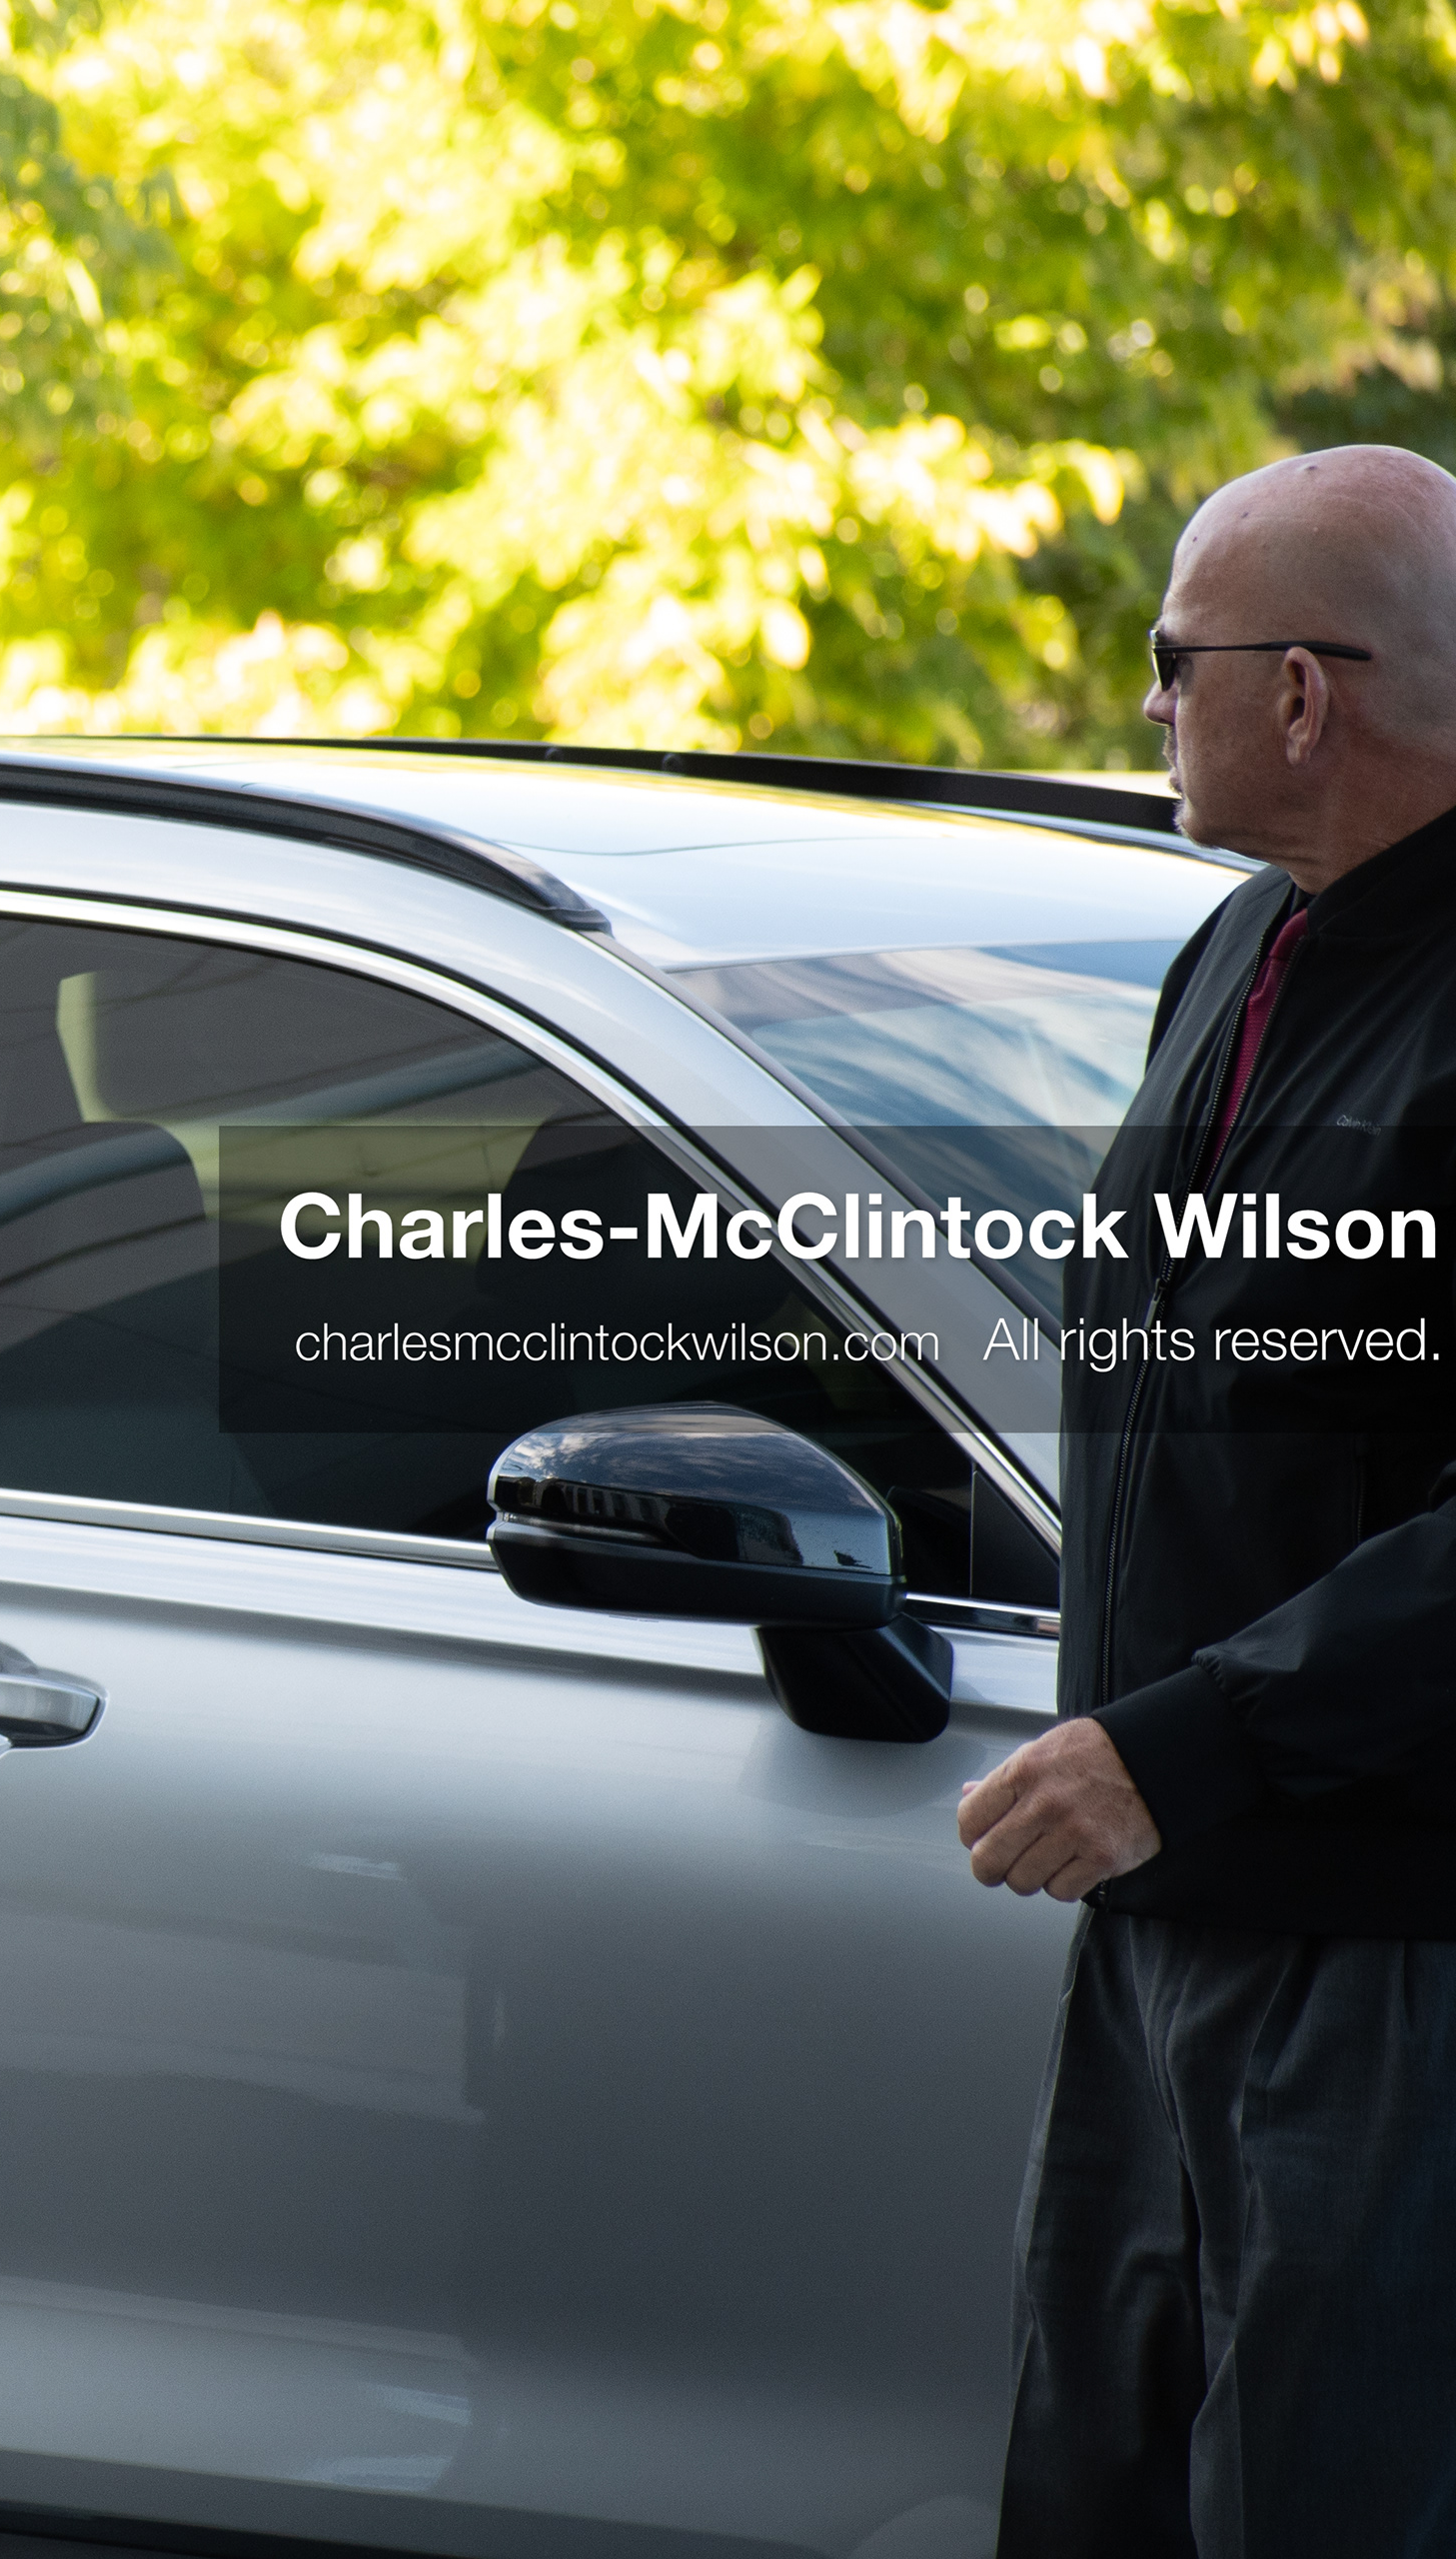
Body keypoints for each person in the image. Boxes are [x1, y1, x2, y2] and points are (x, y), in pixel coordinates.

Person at [960, 446, 1456, 2555]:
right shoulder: (1238, 953)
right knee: (1096, 2489)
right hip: (1157, 1921)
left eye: (1175, 659)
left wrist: (1180, 1743)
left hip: (1382, 1944)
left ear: (1306, 695)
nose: (1150, 702)